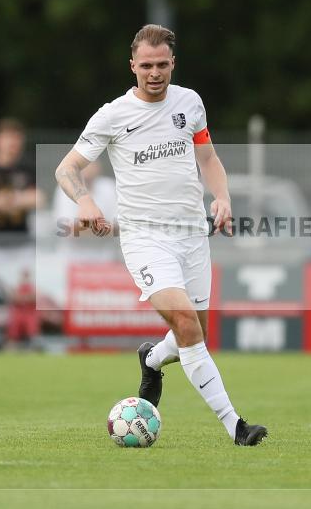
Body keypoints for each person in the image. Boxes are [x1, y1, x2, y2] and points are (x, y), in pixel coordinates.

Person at [55, 24, 267, 446]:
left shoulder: (190, 103)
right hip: (145, 238)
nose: (155, 73)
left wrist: (222, 196)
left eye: (162, 65)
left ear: (173, 64)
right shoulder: (113, 114)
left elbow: (207, 157)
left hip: (192, 235)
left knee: (195, 333)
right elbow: (67, 169)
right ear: (132, 66)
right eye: (146, 65)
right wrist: (85, 202)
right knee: (186, 322)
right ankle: (236, 426)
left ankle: (151, 359)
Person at [0, 118, 41, 235]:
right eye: (9, 137)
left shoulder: (26, 169)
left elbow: (38, 198)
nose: (14, 142)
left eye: (17, 138)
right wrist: (20, 199)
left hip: (21, 241)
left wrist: (6, 200)